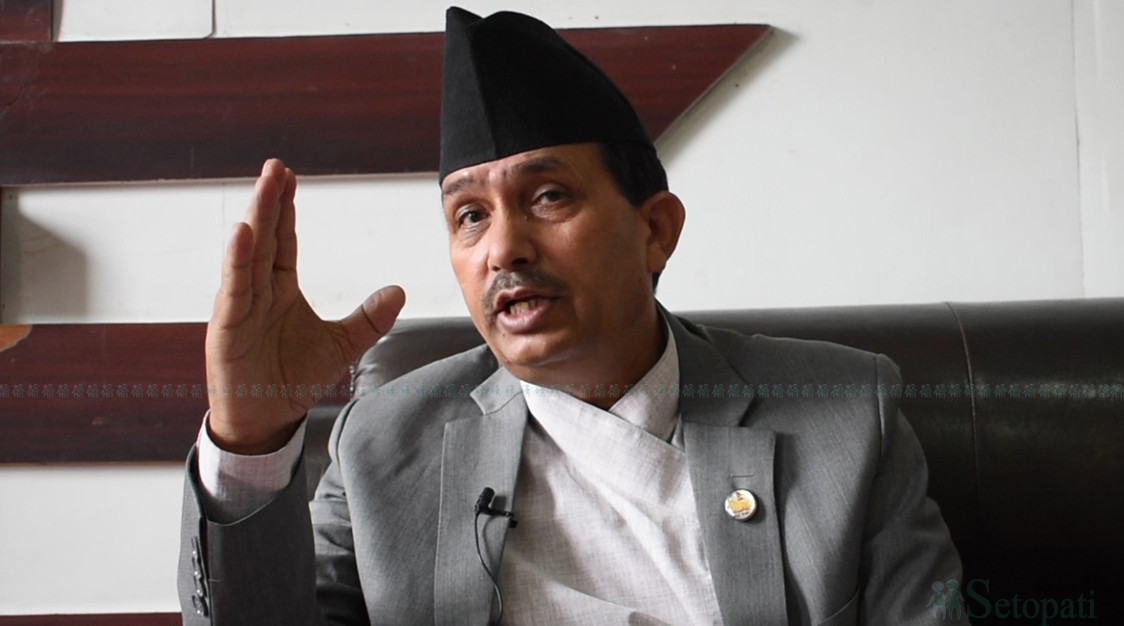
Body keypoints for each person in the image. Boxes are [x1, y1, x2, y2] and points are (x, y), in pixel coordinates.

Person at [179, 7, 963, 625]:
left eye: (548, 196)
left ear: (655, 230)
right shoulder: (385, 444)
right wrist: (250, 442)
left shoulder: (845, 415)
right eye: (469, 216)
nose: (503, 249)